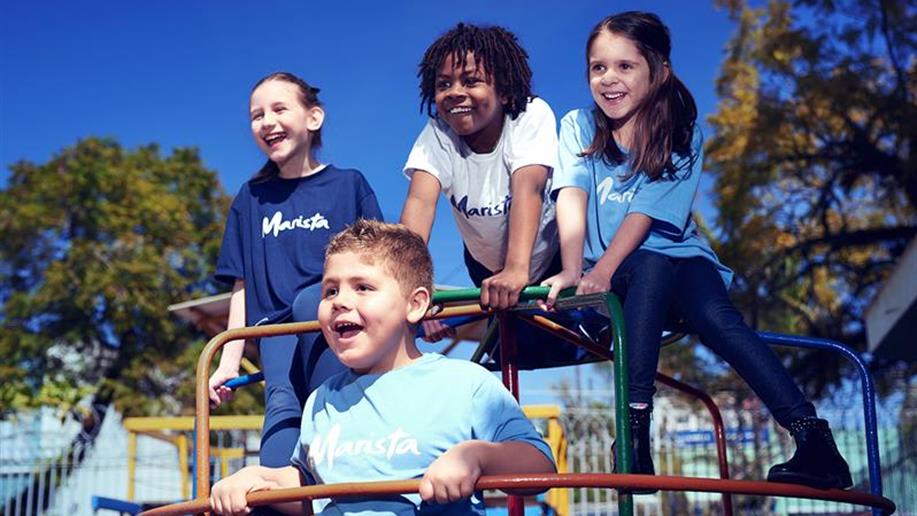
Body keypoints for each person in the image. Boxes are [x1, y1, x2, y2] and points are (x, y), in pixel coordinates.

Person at [542, 11, 852, 490]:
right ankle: (634, 434)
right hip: (628, 269)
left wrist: (600, 269)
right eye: (597, 68)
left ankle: (814, 442)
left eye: (625, 66)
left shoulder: (680, 133)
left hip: (678, 258)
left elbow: (642, 217)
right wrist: (572, 270)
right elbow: (573, 196)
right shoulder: (578, 126)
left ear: (658, 70)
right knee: (647, 269)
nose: (609, 79)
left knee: (717, 316)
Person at [209, 220, 556, 515]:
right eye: (330, 291)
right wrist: (259, 478)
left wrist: (476, 455)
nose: (340, 301)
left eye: (363, 287)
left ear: (416, 304)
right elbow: (310, 484)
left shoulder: (464, 384)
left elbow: (540, 464)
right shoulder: (321, 400)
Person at [209, 72, 383, 468]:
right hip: (279, 332)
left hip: (337, 325)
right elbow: (242, 284)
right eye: (256, 115)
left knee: (336, 418)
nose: (266, 121)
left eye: (279, 109)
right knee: (281, 424)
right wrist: (228, 360)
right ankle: (277, 488)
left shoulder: (348, 185)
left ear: (314, 118)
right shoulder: (252, 198)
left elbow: (382, 267)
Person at [400, 23, 579, 366]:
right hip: (485, 264)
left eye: (471, 81)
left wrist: (516, 269)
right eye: (444, 84)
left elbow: (530, 188)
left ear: (506, 92)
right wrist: (412, 287)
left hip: (546, 255)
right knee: (512, 346)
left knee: (554, 341)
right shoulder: (437, 134)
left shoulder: (529, 115)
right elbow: (420, 203)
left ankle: (583, 330)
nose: (455, 92)